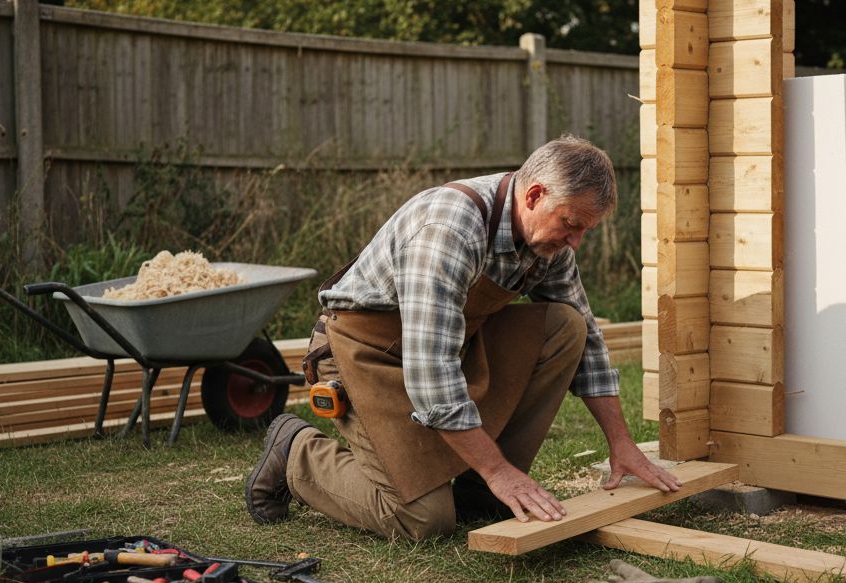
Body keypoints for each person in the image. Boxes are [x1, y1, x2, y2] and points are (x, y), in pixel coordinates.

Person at [244, 135, 679, 540]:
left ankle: (481, 493)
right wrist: (498, 469)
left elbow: (586, 343)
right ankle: (296, 452)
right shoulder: (451, 228)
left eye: (586, 230)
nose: (576, 242)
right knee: (421, 518)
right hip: (366, 354)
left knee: (566, 327)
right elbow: (432, 374)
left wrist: (621, 443)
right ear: (534, 196)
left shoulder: (549, 242)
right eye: (571, 224)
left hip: (445, 347)